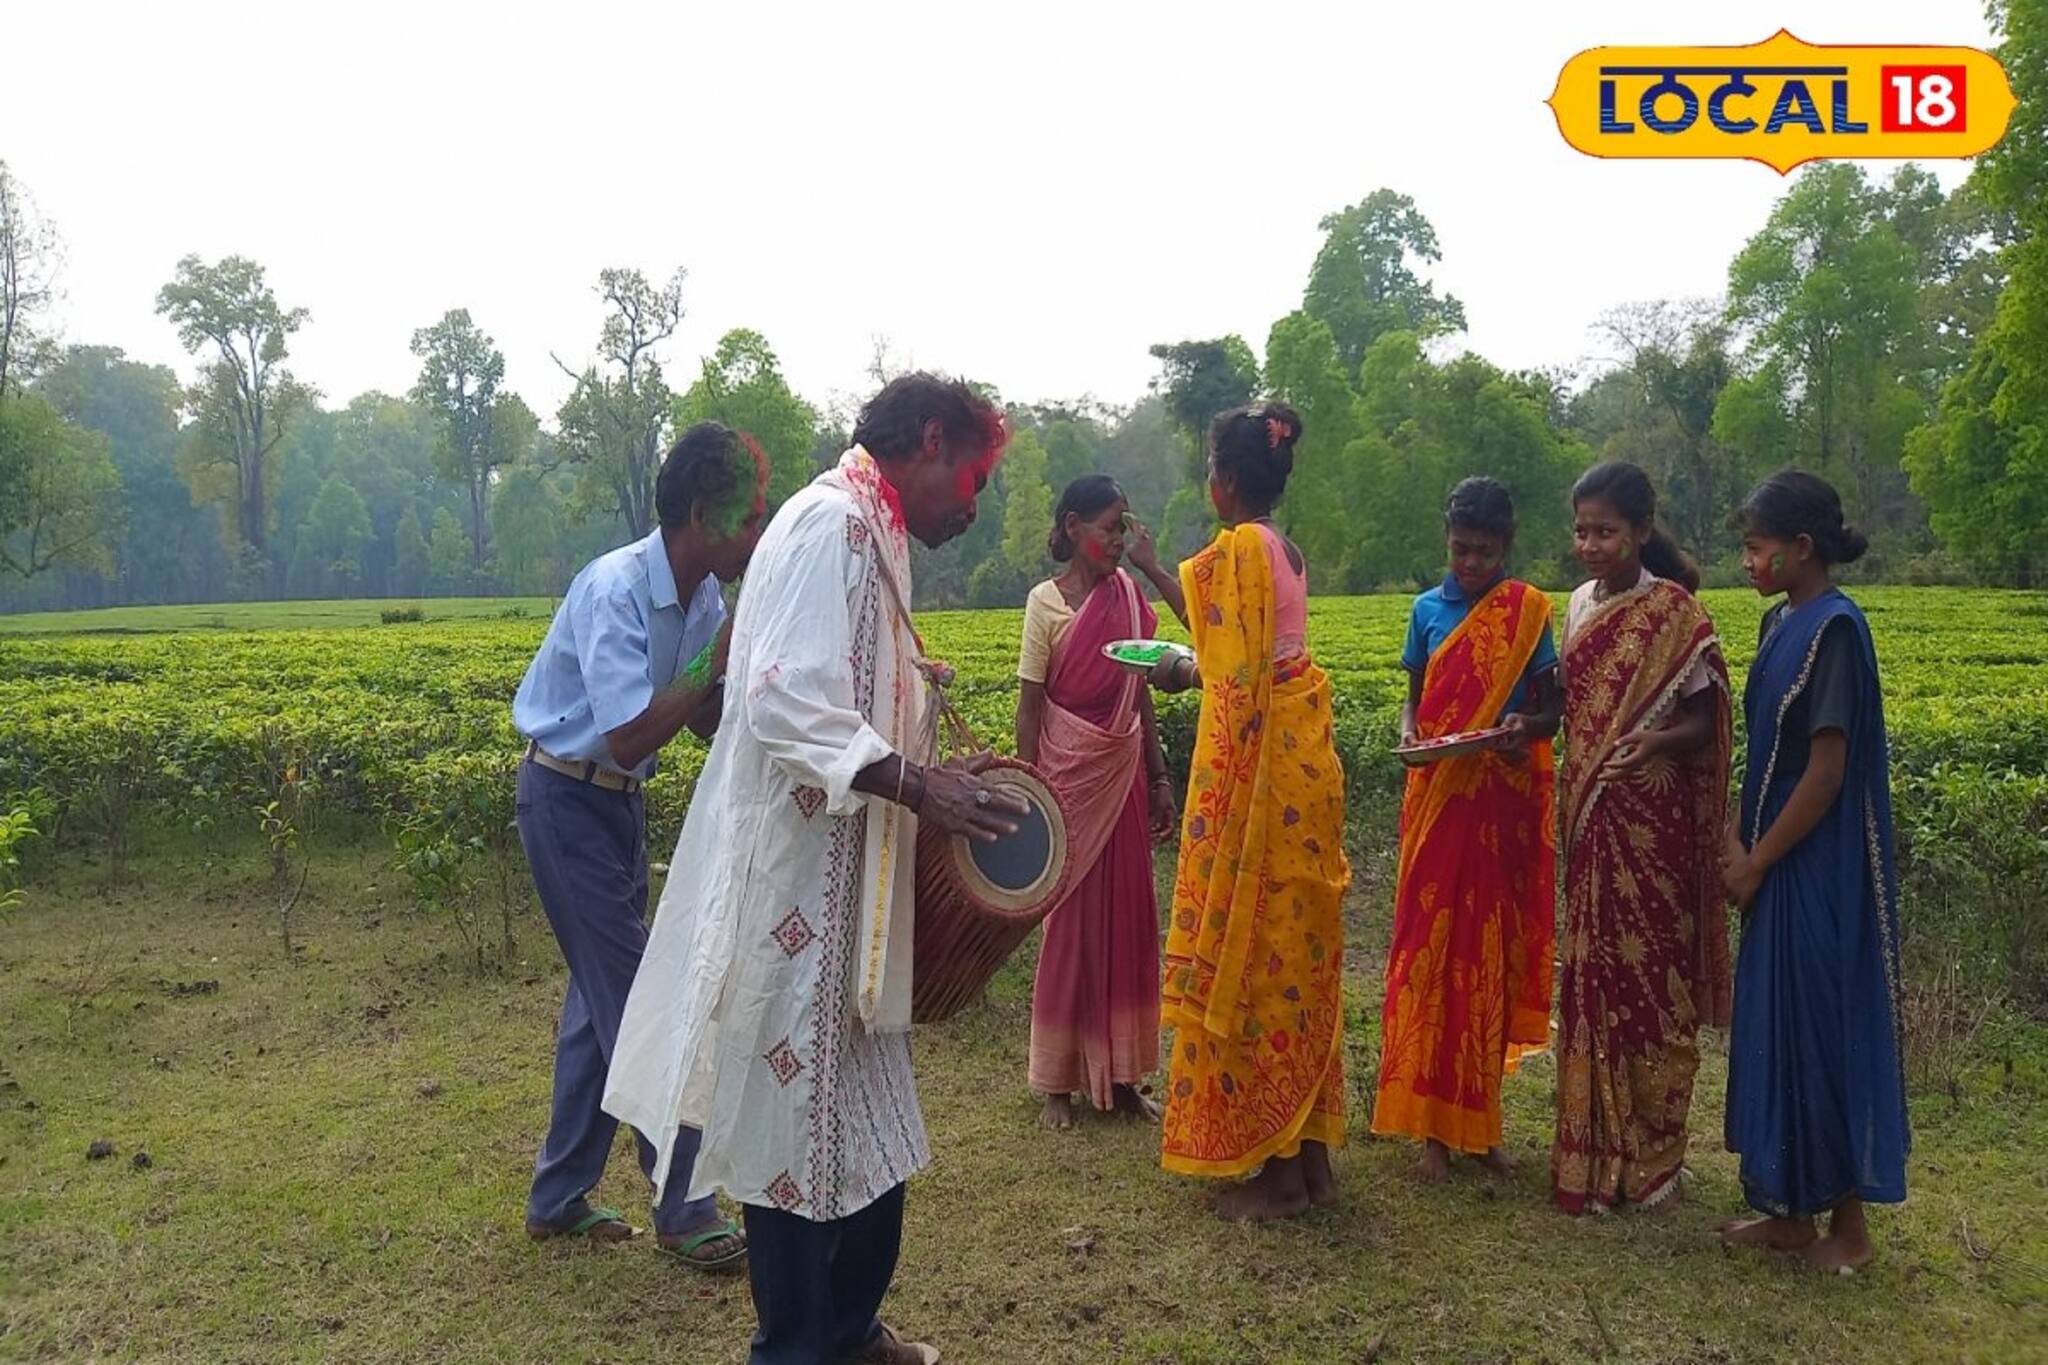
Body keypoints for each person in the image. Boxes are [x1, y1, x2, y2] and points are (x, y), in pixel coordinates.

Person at [603, 374, 1028, 1365]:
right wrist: (920, 788)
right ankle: (794, 1348)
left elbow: (845, 702)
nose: (970, 504)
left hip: (849, 897)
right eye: (968, 476)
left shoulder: (869, 537)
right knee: (792, 1140)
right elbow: (782, 699)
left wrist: (928, 767)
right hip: (795, 894)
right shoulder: (827, 526)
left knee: (865, 1125)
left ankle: (849, 1330)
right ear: (926, 440)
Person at [511, 421, 766, 1268]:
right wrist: (710, 663)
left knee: (599, 1006)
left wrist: (747, 673)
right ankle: (684, 1203)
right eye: (750, 517)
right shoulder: (613, 588)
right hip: (566, 797)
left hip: (618, 809)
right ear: (704, 512)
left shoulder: (705, 601)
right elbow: (625, 734)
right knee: (640, 1000)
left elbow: (696, 725)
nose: (758, 535)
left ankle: (557, 1195)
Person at [1142, 401, 1351, 1222]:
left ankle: (1279, 1175)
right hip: (1305, 768)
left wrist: (1162, 594)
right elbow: (1246, 653)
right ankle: (1311, 1158)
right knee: (1296, 960)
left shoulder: (1236, 551)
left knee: (1258, 956)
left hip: (1266, 786)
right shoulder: (1285, 549)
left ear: (1224, 482)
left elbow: (1227, 668)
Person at [1720, 470, 1907, 1274]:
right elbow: (1764, 752)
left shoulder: (1835, 630)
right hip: (1770, 857)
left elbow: (1825, 773)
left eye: (1758, 548)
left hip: (1816, 865)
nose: (1749, 562)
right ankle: (1789, 1212)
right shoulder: (1777, 623)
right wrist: (1735, 837)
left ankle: (1851, 1230)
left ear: (1801, 549)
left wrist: (1758, 858)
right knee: (1778, 1028)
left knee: (1824, 1028)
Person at [1550, 461, 1732, 1215]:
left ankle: (1652, 1151)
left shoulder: (1675, 613)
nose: (1591, 545)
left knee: (1649, 982)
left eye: (1606, 531)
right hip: (1589, 816)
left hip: (1649, 828)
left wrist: (1653, 745)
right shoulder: (1577, 604)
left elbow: (1705, 719)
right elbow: (1567, 706)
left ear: (1642, 531)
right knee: (1589, 973)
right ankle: (1588, 1152)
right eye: (1582, 530)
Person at [1372, 476, 1561, 1184]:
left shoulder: (1528, 612)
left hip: (1502, 803)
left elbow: (1550, 709)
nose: (1470, 563)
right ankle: (1430, 1131)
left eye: (1483, 551)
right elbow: (1412, 704)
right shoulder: (1426, 610)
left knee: (1486, 959)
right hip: (1438, 798)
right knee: (1432, 953)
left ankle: (1481, 1126)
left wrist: (1524, 727)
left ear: (1505, 546)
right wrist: (1410, 738)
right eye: (1460, 550)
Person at [1016, 476, 1175, 1132]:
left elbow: (1140, 695)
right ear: (1073, 526)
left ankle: (1125, 1074)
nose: (1117, 539)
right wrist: (1028, 787)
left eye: (1124, 527)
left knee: (1130, 918)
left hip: (1124, 772)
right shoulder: (1044, 604)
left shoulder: (1132, 601)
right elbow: (1031, 705)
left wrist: (1160, 775)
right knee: (1073, 927)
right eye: (1109, 527)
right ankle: (1058, 1079)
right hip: (1067, 779)